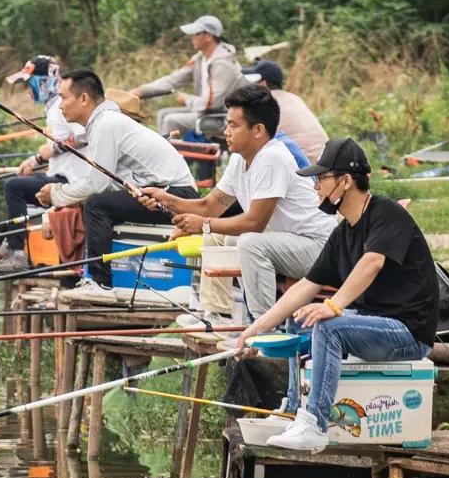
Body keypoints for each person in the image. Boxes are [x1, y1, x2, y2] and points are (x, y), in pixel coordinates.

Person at [237, 137, 440, 453]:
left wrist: (334, 305)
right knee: (300, 319)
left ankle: (315, 426)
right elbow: (305, 287)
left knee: (329, 326)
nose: (316, 187)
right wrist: (252, 332)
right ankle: (295, 410)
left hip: (408, 332)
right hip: (375, 324)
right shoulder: (342, 233)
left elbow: (372, 263)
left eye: (321, 178)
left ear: (345, 181)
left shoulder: (386, 213)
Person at [139, 84, 332, 330]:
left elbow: (254, 223)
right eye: (227, 123)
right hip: (288, 242)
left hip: (317, 248)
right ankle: (221, 315)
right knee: (227, 239)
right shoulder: (240, 157)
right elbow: (210, 206)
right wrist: (165, 199)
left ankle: (263, 327)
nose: (225, 131)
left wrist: (203, 226)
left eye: (233, 125)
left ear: (258, 130)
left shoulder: (272, 157)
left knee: (249, 242)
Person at [36, 68, 199, 302]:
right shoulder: (105, 123)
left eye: (63, 98)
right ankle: (95, 276)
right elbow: (109, 181)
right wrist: (60, 196)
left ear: (84, 99)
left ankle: (100, 283)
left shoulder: (106, 124)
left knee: (96, 205)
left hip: (175, 196)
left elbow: (98, 185)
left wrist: (57, 195)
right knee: (97, 203)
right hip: (159, 192)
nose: (60, 105)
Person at [0, 55, 85, 275]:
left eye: (29, 84)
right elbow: (56, 146)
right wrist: (35, 160)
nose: (28, 91)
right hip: (60, 173)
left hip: (72, 181)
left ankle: (16, 252)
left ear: (45, 81)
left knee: (14, 188)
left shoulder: (63, 104)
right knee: (17, 185)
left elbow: (84, 136)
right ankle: (10, 244)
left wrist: (54, 149)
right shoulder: (53, 106)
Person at [133, 15, 242, 138]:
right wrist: (141, 91)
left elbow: (213, 103)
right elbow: (173, 80)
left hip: (223, 117)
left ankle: (166, 156)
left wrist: (187, 100)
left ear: (208, 36)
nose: (192, 37)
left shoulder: (223, 64)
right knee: (162, 114)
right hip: (207, 113)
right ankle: (167, 152)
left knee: (171, 120)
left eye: (196, 34)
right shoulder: (200, 59)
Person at [241, 59, 328, 165]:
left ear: (263, 84)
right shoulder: (293, 98)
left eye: (253, 84)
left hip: (304, 167)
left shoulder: (263, 103)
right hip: (325, 163)